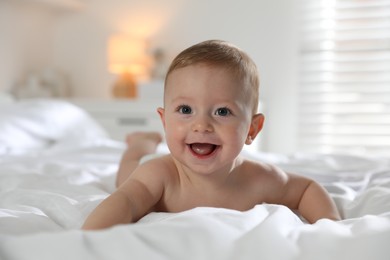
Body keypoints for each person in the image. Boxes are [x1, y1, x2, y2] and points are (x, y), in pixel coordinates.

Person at [82, 40, 341, 230]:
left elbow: (307, 188)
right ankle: (140, 144)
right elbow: (125, 200)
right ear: (165, 121)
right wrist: (88, 238)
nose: (201, 125)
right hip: (141, 170)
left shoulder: (260, 179)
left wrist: (330, 226)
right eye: (185, 110)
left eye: (222, 111)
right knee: (126, 174)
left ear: (252, 129)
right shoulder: (158, 176)